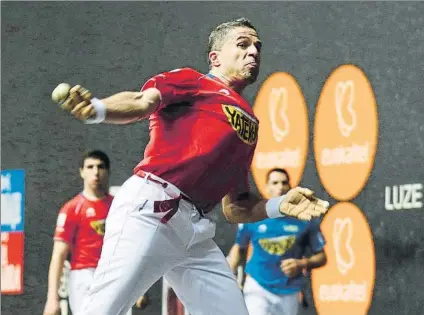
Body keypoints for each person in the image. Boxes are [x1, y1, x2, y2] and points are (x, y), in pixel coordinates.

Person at [54, 18, 329, 315]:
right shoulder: (194, 81)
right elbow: (141, 101)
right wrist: (97, 109)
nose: (254, 52)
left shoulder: (249, 120)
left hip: (194, 231)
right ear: (215, 57)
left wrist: (279, 205)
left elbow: (235, 206)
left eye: (257, 47)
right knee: (102, 310)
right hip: (151, 210)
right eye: (243, 44)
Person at [42, 150, 147, 315]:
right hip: (84, 277)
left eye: (100, 167)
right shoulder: (71, 209)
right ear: (81, 172)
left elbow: (131, 247)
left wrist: (139, 287)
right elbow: (58, 256)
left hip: (115, 274)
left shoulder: (119, 206)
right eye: (90, 167)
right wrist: (52, 298)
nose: (96, 172)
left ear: (108, 171)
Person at [227, 168, 327, 315]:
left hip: (289, 290)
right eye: (275, 183)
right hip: (258, 286)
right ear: (267, 187)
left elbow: (322, 257)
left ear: (290, 187)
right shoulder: (253, 216)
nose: (280, 187)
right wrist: (227, 276)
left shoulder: (305, 218)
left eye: (284, 183)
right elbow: (239, 248)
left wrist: (302, 264)